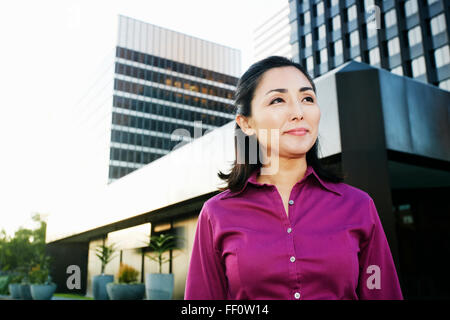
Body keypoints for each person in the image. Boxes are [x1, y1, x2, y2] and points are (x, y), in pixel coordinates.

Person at [184, 56, 403, 300]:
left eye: (307, 98)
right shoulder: (216, 214)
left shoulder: (359, 205)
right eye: (278, 100)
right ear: (246, 124)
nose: (298, 112)